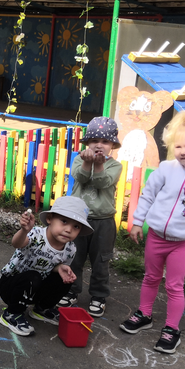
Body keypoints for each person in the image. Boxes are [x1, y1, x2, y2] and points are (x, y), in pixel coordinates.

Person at [119, 109, 185, 353]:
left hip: (180, 243)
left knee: (175, 286)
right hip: (156, 236)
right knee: (150, 277)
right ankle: (144, 314)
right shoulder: (166, 168)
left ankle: (171, 329)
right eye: (178, 146)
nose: (183, 151)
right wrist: (137, 222)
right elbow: (148, 194)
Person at [0, 196, 93, 336]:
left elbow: (51, 266)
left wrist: (60, 268)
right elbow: (17, 244)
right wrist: (24, 230)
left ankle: (42, 309)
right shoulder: (36, 234)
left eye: (76, 226)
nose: (68, 229)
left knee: (64, 277)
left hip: (35, 289)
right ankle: (11, 314)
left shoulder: (70, 248)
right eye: (64, 221)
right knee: (33, 277)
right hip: (11, 286)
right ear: (49, 219)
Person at [59, 116, 123, 318]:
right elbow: (80, 177)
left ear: (112, 145)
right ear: (87, 143)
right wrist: (88, 162)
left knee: (100, 261)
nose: (99, 145)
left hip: (103, 221)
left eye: (105, 141)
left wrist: (99, 165)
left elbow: (102, 182)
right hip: (78, 220)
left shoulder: (115, 166)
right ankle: (71, 291)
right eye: (94, 140)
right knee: (74, 257)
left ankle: (99, 296)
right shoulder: (79, 159)